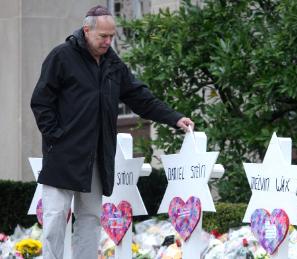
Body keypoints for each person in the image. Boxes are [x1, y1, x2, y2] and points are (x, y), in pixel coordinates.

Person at [30, 5, 194, 259]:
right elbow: (41, 101)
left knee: (91, 220)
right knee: (54, 219)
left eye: (111, 36)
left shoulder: (113, 65)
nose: (108, 42)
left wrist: (174, 118)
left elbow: (141, 98)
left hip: (97, 157)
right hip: (62, 155)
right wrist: (56, 138)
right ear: (87, 31)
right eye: (102, 36)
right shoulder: (61, 57)